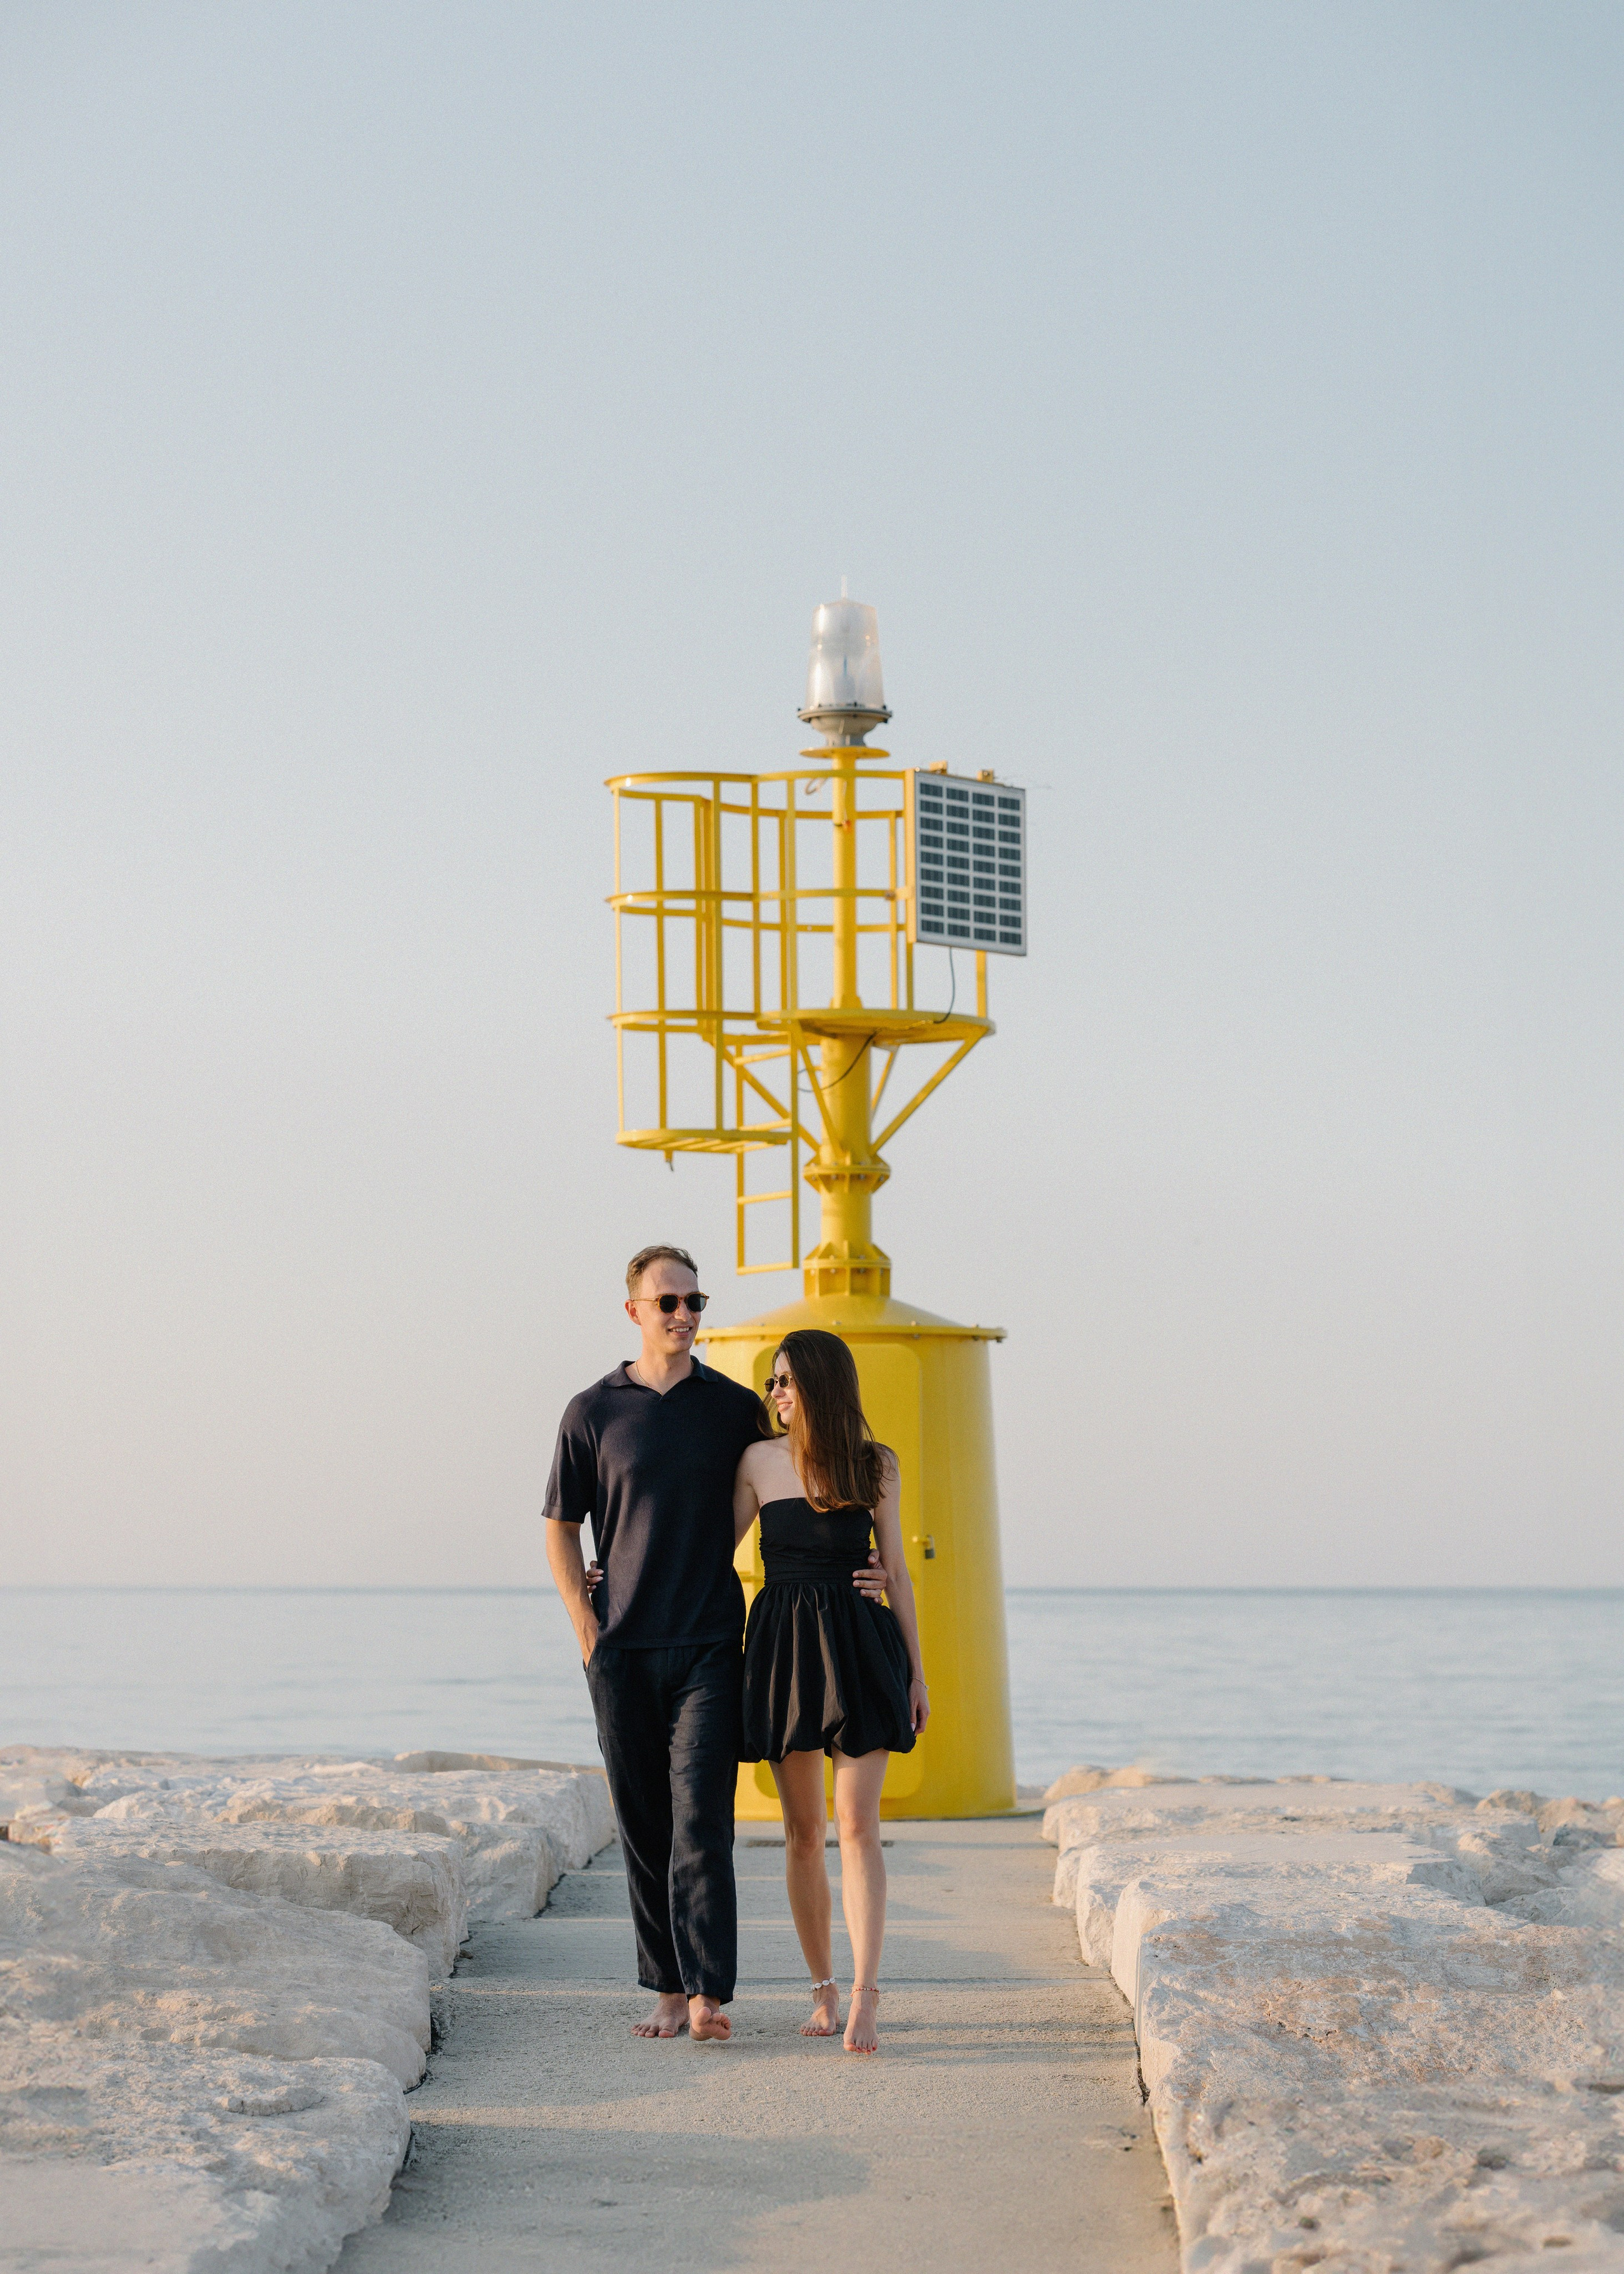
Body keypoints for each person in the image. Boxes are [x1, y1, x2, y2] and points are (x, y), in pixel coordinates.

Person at [544, 1246, 889, 2042]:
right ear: (634, 1310)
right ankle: (665, 1985)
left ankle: (707, 1993)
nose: (683, 1314)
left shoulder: (736, 1409)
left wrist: (862, 1564)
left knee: (702, 1817)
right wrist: (586, 1627)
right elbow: (561, 1527)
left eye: (695, 1301)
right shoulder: (590, 1411)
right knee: (642, 1820)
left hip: (710, 1642)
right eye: (667, 1301)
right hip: (621, 1645)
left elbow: (813, 1473)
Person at [733, 1328, 928, 2054]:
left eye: (785, 1380)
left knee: (856, 1822)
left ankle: (867, 1994)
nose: (776, 1394)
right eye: (771, 1382)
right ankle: (822, 1989)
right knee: (803, 1832)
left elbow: (898, 1572)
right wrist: (616, 1574)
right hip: (783, 1649)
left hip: (858, 1646)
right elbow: (703, 1550)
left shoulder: (875, 1465)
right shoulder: (757, 1461)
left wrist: (916, 1672)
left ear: (819, 1384)